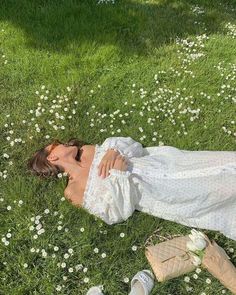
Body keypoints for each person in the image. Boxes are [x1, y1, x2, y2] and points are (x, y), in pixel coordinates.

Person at [27, 136, 236, 241]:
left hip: (162, 164)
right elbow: (113, 213)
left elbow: (134, 146)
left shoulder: (88, 150)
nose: (62, 142)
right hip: (153, 191)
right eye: (56, 144)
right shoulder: (72, 191)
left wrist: (113, 150)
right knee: (217, 191)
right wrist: (118, 175)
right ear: (52, 157)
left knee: (220, 163)